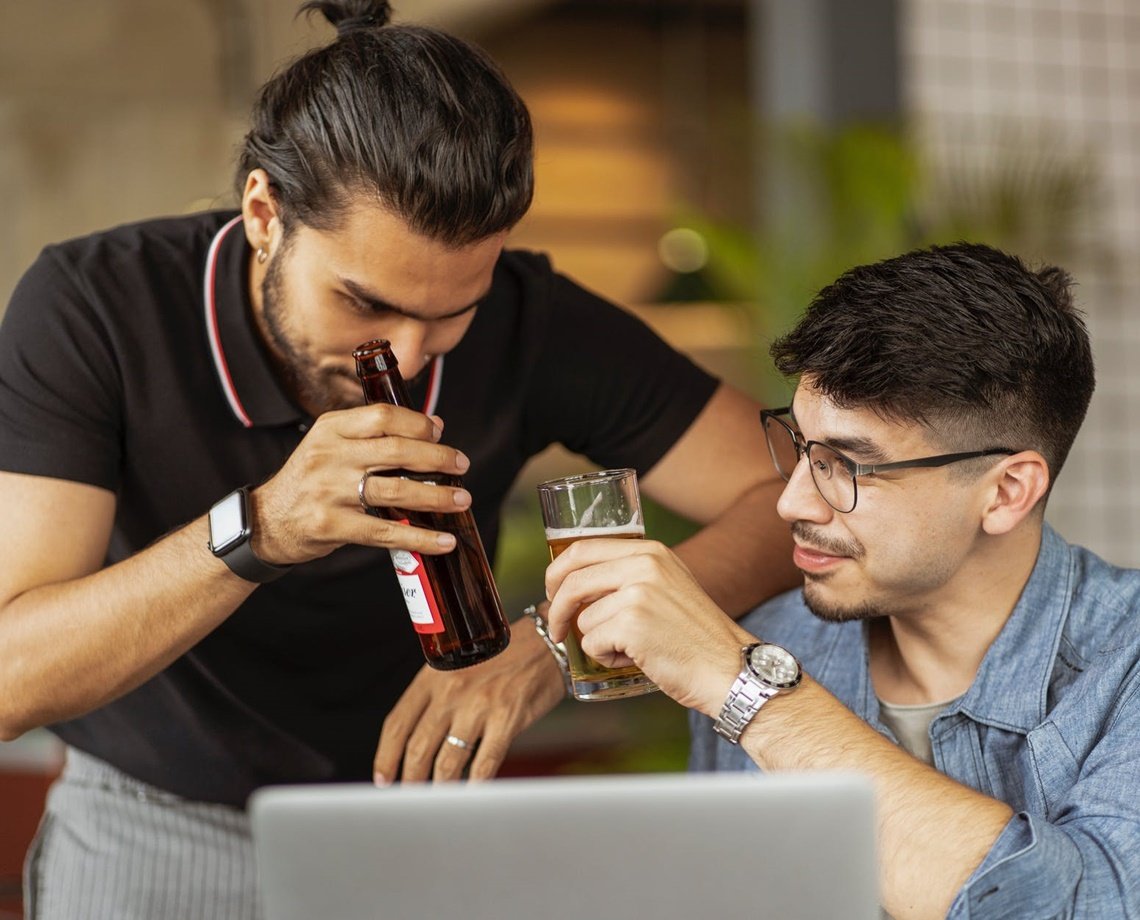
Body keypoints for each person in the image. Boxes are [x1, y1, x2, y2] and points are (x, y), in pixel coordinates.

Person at [0, 1, 798, 917]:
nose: (411, 357)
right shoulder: (95, 308)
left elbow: (784, 498)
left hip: (416, 819)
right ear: (265, 213)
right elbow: (10, 681)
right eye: (366, 303)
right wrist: (261, 526)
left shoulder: (529, 320)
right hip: (153, 826)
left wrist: (550, 644)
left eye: (452, 311)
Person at [546, 242, 1140, 919]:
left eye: (850, 465)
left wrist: (748, 691)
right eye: (801, 447)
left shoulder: (1124, 665)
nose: (792, 502)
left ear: (1006, 492)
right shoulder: (770, 642)